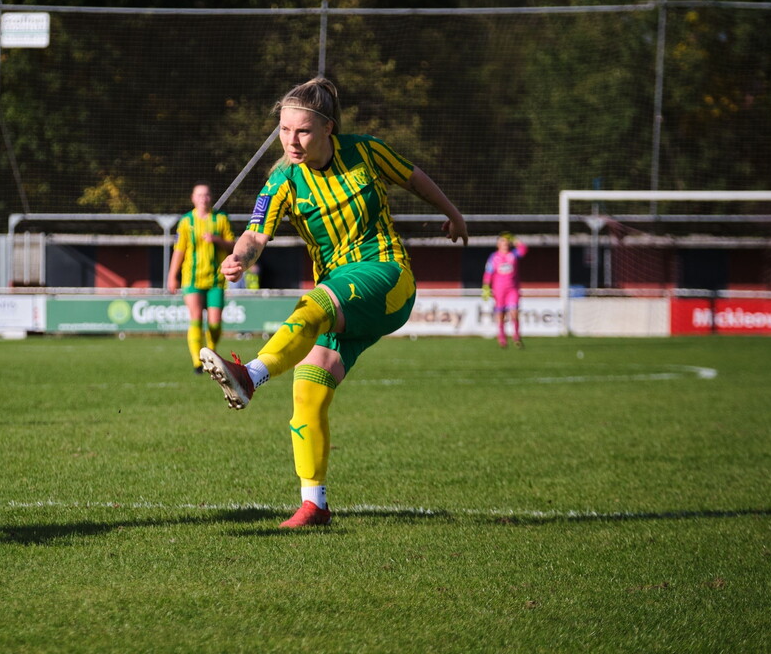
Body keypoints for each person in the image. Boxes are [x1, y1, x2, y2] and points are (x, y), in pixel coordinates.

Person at [199, 77, 468, 528]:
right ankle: (314, 504)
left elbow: (413, 176)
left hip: (387, 275)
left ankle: (251, 376)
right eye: (284, 131)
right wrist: (238, 259)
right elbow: (255, 232)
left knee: (312, 306)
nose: (291, 141)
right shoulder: (283, 178)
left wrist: (452, 211)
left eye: (301, 131)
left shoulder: (364, 152)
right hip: (341, 296)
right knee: (308, 389)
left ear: (328, 128)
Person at [167, 182, 235, 374]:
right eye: (199, 195)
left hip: (216, 280)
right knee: (196, 317)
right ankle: (197, 362)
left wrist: (217, 240)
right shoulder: (186, 221)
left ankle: (211, 353)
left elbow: (233, 245)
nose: (203, 198)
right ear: (193, 198)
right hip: (192, 279)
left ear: (210, 197)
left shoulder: (221, 219)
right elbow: (179, 251)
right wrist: (172, 276)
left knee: (214, 323)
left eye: (206, 195)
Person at [482, 232, 527, 349]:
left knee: (514, 313)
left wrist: (514, 238)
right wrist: (486, 287)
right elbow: (488, 273)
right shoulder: (494, 257)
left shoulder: (513, 255)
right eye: (502, 241)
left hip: (512, 289)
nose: (505, 244)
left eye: (507, 241)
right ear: (498, 244)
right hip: (499, 290)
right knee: (500, 314)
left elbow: (523, 249)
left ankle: (516, 336)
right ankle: (501, 337)